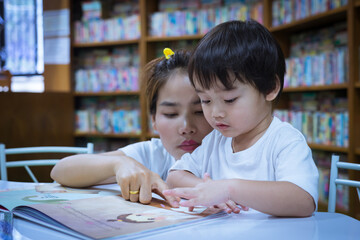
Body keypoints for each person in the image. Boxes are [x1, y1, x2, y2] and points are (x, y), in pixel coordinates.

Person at [163, 20, 319, 217]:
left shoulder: (285, 141)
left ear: (270, 88)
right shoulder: (216, 140)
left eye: (229, 99)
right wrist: (208, 190)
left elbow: (303, 201)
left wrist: (229, 189)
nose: (215, 112)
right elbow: (175, 176)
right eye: (206, 100)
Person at [51, 49, 213, 207]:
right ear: (153, 120)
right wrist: (118, 164)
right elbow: (60, 170)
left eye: (199, 112)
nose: (186, 127)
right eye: (171, 114)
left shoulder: (228, 153)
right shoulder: (152, 154)